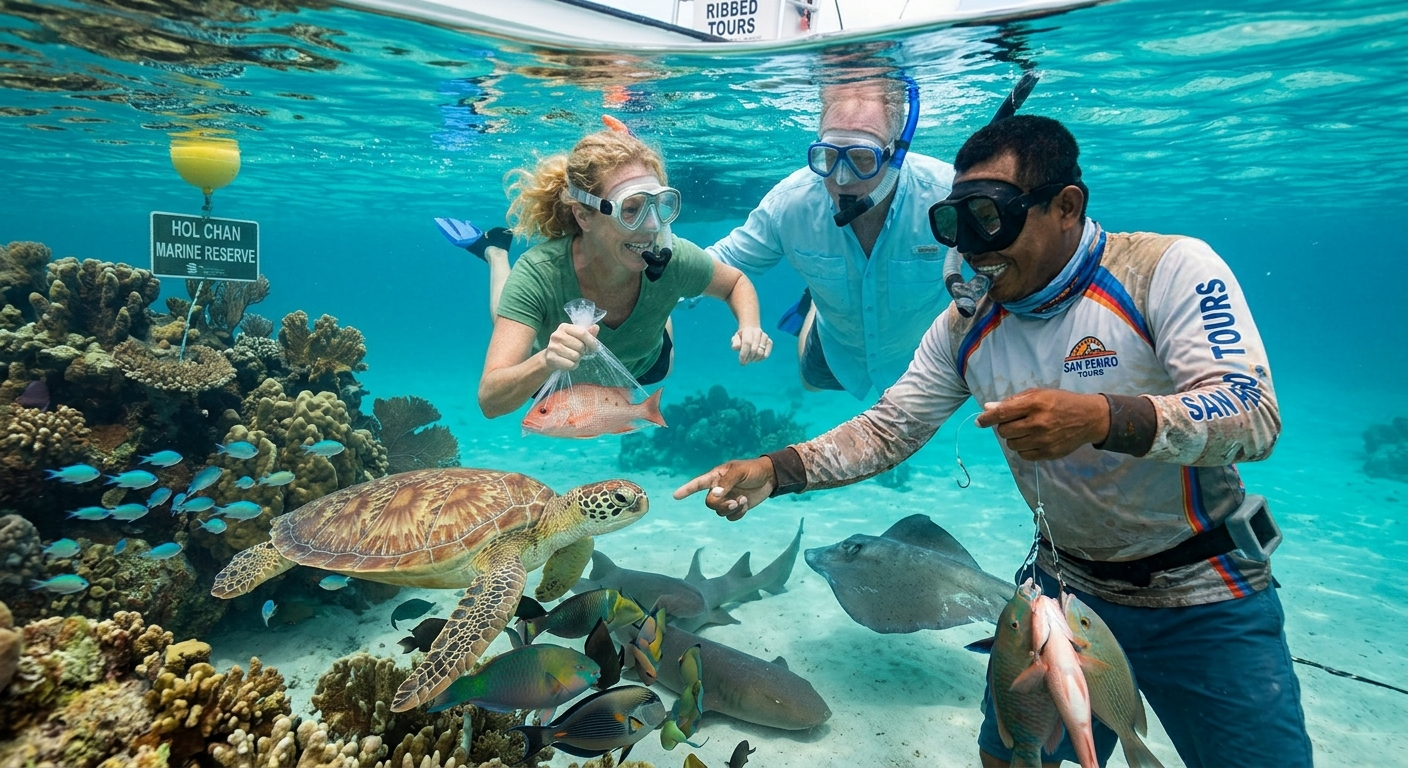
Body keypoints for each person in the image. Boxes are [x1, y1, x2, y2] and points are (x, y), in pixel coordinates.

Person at [676, 115, 1312, 767]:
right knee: (1011, 758)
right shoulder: (971, 319)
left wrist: (1103, 417)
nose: (975, 247)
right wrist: (776, 469)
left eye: (993, 218)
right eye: (955, 223)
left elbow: (1251, 413)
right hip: (1064, 589)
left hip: (1202, 588)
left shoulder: (1165, 270)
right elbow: (890, 426)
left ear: (1067, 206)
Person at [475, 130, 772, 419]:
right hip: (557, 376)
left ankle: (658, 300)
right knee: (507, 309)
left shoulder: (672, 257)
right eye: (631, 209)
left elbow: (734, 282)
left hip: (645, 368)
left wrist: (750, 326)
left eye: (659, 204)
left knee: (663, 285)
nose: (653, 226)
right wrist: (544, 360)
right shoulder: (539, 273)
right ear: (583, 216)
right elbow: (490, 402)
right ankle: (496, 253)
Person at [706, 77, 955, 398]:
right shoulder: (790, 203)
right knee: (811, 381)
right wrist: (647, 283)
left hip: (921, 350)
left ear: (894, 155)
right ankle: (815, 305)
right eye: (827, 156)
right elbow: (716, 262)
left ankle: (817, 293)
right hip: (838, 346)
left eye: (862, 159)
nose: (841, 178)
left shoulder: (946, 195)